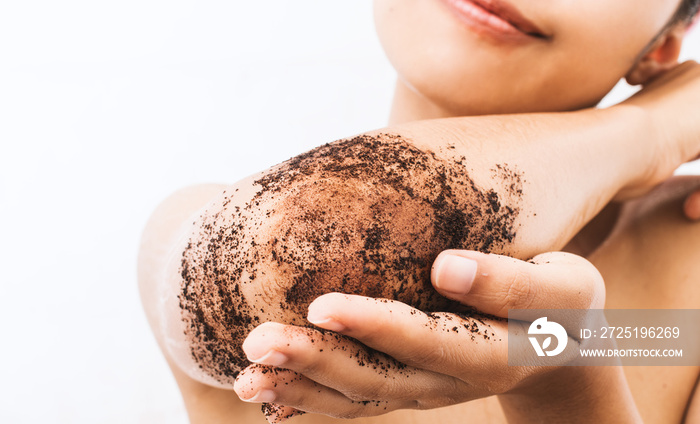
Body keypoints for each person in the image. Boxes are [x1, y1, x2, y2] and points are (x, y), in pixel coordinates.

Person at [138, 0, 700, 422]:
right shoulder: (200, 225)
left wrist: (566, 386)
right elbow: (312, 238)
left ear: (661, 45)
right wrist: (651, 130)